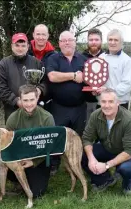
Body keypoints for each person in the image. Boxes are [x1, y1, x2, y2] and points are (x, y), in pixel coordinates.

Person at [0, 84, 55, 198]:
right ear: (20, 99)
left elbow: (50, 147)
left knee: (36, 193)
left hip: (40, 158)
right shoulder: (13, 118)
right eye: (25, 100)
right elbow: (7, 142)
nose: (29, 104)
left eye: (32, 100)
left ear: (37, 98)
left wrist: (33, 162)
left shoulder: (47, 118)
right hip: (19, 158)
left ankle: (32, 179)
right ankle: (19, 181)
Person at [81, 88, 131, 195]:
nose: (107, 105)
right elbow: (87, 138)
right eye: (103, 102)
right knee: (82, 155)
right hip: (107, 147)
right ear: (100, 102)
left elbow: (129, 151)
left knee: (126, 168)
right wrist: (91, 159)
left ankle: (128, 185)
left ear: (118, 103)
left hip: (126, 152)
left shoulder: (130, 120)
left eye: (111, 101)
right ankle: (104, 180)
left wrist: (106, 165)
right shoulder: (95, 115)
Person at [46, 30, 88, 175]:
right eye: (63, 41)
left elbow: (89, 79)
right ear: (59, 43)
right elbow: (52, 76)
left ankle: (77, 163)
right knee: (57, 136)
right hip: (59, 106)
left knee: (78, 137)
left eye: (70, 40)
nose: (67, 43)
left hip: (79, 107)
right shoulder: (53, 59)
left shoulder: (83, 59)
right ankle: (54, 164)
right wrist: (73, 75)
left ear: (75, 42)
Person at [0, 33, 45, 122]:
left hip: (34, 110)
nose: (20, 48)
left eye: (23, 45)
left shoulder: (37, 63)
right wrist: (16, 101)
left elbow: (45, 82)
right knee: (14, 135)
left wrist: (40, 89)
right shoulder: (3, 64)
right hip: (12, 111)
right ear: (12, 46)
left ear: (28, 47)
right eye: (17, 45)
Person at [96, 29, 131, 109]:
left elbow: (127, 84)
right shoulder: (101, 57)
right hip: (102, 103)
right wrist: (95, 89)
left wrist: (108, 91)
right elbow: (97, 79)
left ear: (121, 42)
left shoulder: (127, 60)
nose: (112, 42)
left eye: (116, 40)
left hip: (119, 103)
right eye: (110, 39)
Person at [28, 24, 57, 111]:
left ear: (48, 36)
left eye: (43, 34)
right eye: (38, 34)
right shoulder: (25, 52)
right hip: (27, 98)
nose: (41, 37)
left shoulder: (55, 55)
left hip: (48, 100)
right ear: (33, 35)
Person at [82, 28, 105, 121]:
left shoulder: (106, 57)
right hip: (85, 101)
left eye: (96, 40)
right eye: (91, 40)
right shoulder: (81, 57)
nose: (94, 42)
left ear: (101, 41)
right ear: (87, 41)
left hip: (102, 101)